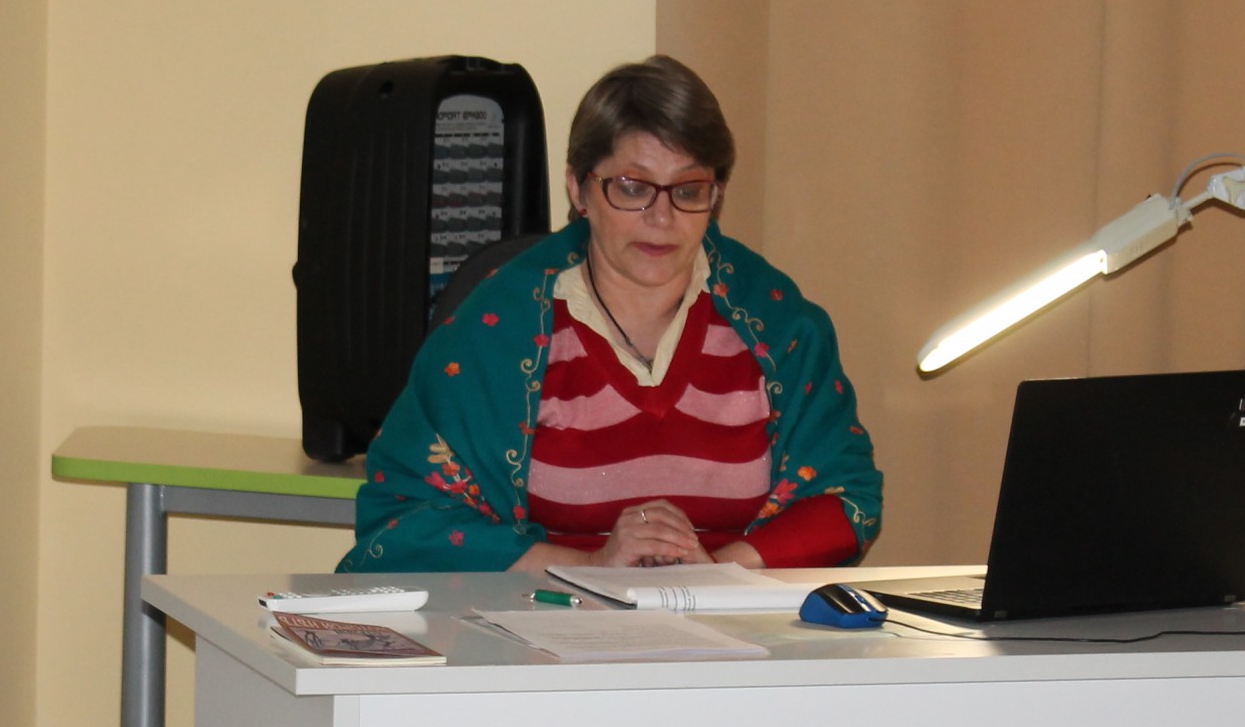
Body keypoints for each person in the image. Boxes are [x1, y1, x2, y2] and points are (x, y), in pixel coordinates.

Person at [346, 54, 881, 573]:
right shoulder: (496, 330)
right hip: (549, 617)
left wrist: (717, 570)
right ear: (579, 188)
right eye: (632, 187)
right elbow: (406, 517)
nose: (662, 218)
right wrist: (593, 566)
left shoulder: (777, 323)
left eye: (689, 189)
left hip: (730, 615)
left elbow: (846, 496)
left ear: (716, 195)